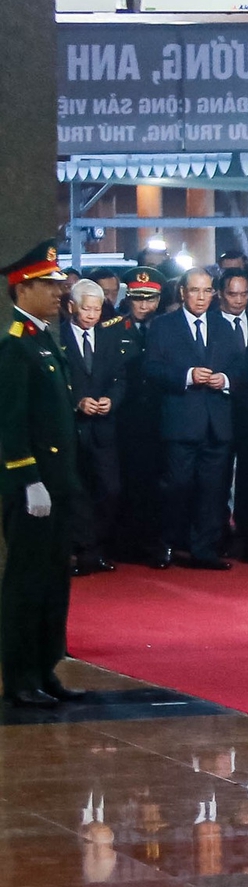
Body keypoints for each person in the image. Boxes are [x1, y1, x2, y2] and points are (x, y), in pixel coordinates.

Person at [0, 240, 85, 707]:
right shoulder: (15, 349)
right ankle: (18, 675)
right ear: (23, 288)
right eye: (49, 285)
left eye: (58, 284)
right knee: (27, 582)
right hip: (32, 487)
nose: (59, 293)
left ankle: (46, 666)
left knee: (54, 580)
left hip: (58, 485)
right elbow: (10, 424)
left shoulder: (44, 340)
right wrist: (28, 477)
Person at [146, 268, 248, 570]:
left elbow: (242, 370)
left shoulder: (224, 325)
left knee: (213, 491)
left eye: (207, 291)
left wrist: (225, 380)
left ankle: (204, 549)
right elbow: (151, 368)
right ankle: (166, 544)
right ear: (182, 292)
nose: (201, 297)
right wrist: (187, 376)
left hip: (217, 424)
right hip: (180, 422)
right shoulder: (163, 326)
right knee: (176, 488)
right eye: (195, 291)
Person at [61, 279, 122, 576]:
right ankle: (79, 551)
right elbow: (56, 382)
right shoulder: (57, 336)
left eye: (97, 309)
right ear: (71, 306)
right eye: (86, 309)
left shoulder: (110, 338)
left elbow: (121, 378)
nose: (91, 315)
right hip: (72, 428)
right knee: (76, 491)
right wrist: (77, 401)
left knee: (109, 489)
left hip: (103, 427)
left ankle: (95, 546)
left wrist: (111, 399)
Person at [109, 266, 164, 563]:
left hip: (160, 417)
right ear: (128, 298)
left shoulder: (167, 328)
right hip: (125, 418)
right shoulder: (114, 329)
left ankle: (152, 542)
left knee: (156, 484)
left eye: (150, 298)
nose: (144, 305)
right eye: (138, 298)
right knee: (127, 482)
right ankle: (124, 542)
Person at [216, 269, 248, 559]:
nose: (238, 300)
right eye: (232, 294)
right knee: (218, 478)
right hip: (218, 409)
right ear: (221, 293)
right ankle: (219, 534)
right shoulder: (208, 324)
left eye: (243, 294)